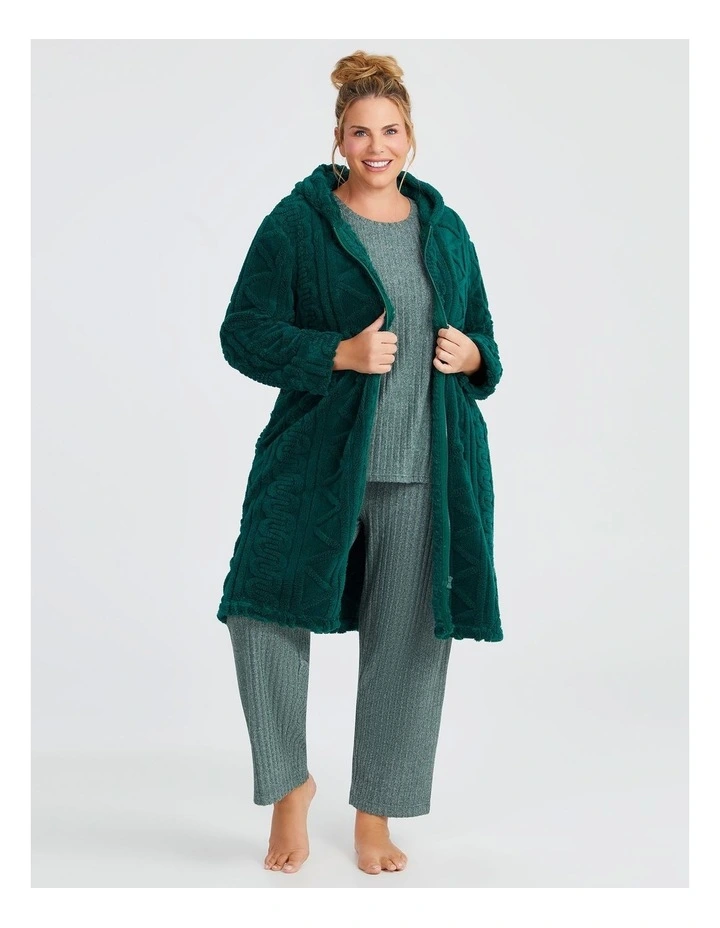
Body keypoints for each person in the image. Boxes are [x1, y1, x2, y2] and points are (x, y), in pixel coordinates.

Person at [217, 50, 504, 876]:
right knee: (260, 612)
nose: (376, 146)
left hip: (427, 472)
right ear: (338, 139)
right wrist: (336, 353)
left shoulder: (445, 230)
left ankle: (375, 813)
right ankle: (288, 788)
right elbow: (243, 332)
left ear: (411, 136)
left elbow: (484, 337)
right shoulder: (299, 224)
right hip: (316, 464)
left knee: (407, 645)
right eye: (359, 132)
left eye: (390, 131)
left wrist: (473, 356)